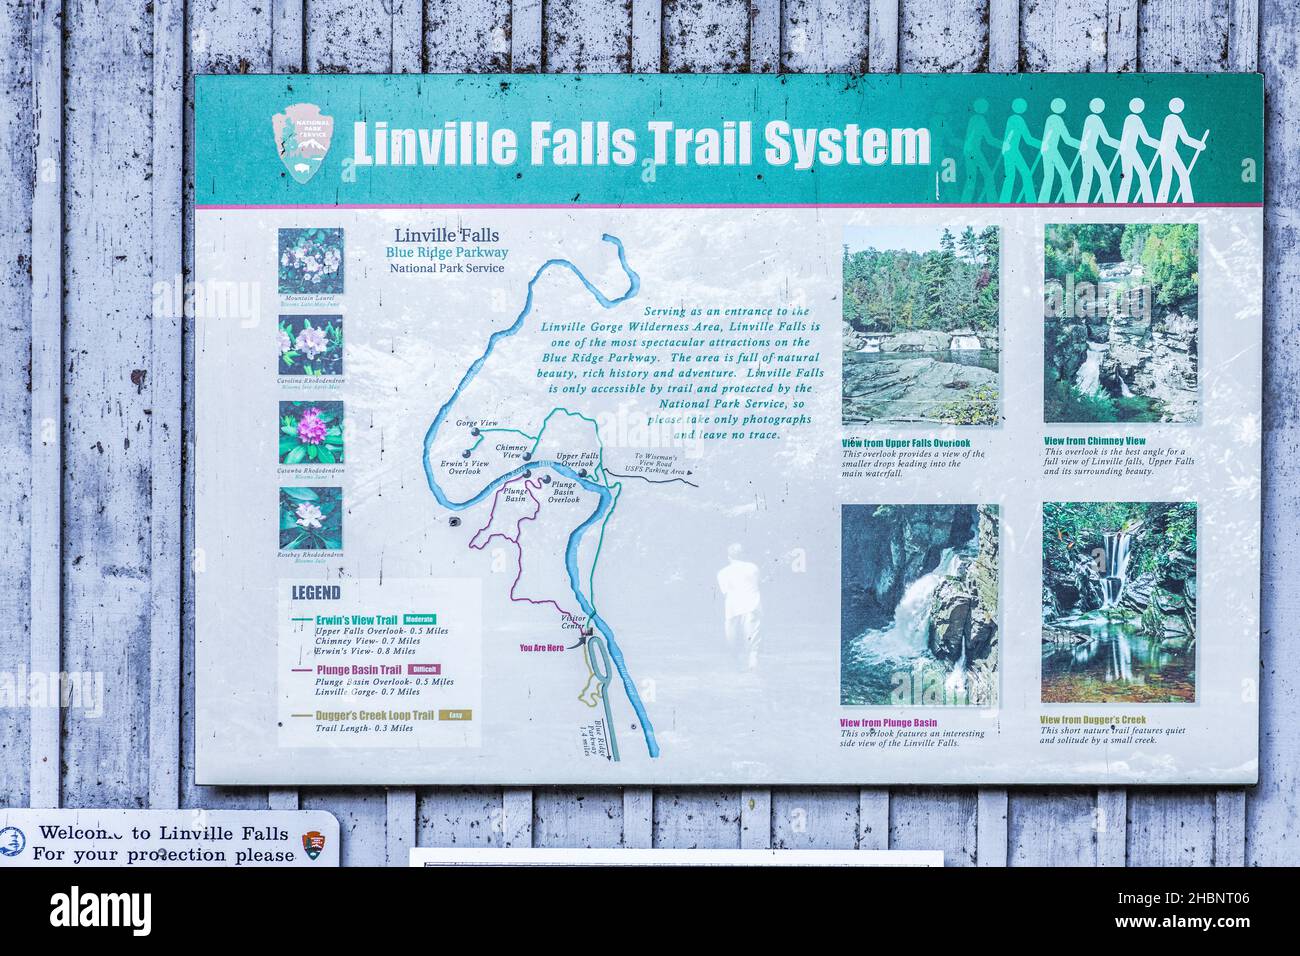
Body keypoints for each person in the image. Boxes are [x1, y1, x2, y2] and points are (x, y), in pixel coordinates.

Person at [717, 543, 762, 671]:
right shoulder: (754, 568)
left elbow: (725, 591)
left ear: (728, 557)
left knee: (732, 638)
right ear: (743, 554)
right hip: (752, 605)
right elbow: (758, 583)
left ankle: (735, 665)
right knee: (752, 640)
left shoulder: (723, 572)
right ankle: (753, 666)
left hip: (732, 608)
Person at [1154, 97, 1207, 202]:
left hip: (1164, 150)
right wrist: (1200, 145)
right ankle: (1188, 202)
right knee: (1182, 174)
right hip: (1169, 150)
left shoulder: (1168, 118)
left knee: (1168, 176)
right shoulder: (1175, 119)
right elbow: (1185, 139)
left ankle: (1160, 201)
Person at [1116, 97, 1161, 203]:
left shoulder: (1129, 118)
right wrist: (1159, 144)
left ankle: (1121, 202)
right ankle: (1148, 202)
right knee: (1142, 173)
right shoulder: (1135, 119)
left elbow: (1141, 139)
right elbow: (1145, 139)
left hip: (1126, 149)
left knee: (1129, 176)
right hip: (1129, 150)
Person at [1037, 98, 1082, 202]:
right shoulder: (1056, 119)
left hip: (1047, 150)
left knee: (1049, 177)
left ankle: (1042, 203)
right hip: (1051, 150)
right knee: (1064, 174)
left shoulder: (1050, 118)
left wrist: (1044, 144)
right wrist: (1081, 145)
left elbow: (1048, 135)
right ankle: (1070, 202)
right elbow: (1067, 140)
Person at [1078, 98, 1122, 203]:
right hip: (1089, 151)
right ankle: (1082, 204)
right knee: (1092, 176)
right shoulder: (1094, 119)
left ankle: (1107, 202)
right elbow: (1104, 139)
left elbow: (1104, 139)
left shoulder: (1092, 118)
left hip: (1090, 150)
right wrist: (1120, 144)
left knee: (1096, 175)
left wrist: (1120, 144)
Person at [997, 98, 1041, 203]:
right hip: (1012, 151)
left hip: (1009, 151)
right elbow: (1028, 139)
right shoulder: (1017, 119)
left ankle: (1004, 202)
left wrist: (1004, 146)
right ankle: (1031, 202)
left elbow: (1008, 136)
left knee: (1011, 177)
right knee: (1025, 174)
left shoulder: (1012, 118)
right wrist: (1042, 144)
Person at [960, 98, 1001, 203]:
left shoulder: (974, 119)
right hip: (974, 151)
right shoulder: (979, 119)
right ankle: (993, 202)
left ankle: (965, 203)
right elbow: (989, 139)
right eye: (984, 106)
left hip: (970, 151)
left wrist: (966, 149)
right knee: (987, 176)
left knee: (971, 179)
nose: (986, 108)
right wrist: (1004, 144)